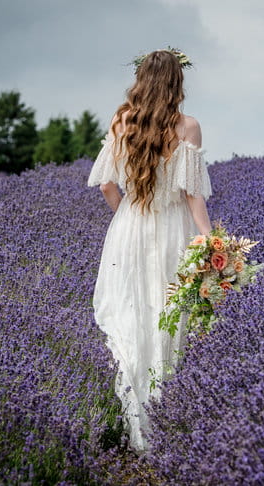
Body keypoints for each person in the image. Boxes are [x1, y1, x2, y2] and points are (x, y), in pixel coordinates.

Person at [86, 48, 213, 453]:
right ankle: (170, 421)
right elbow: (193, 196)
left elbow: (108, 185)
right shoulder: (188, 127)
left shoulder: (122, 121)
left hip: (129, 227)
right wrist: (212, 243)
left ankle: (131, 423)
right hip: (172, 228)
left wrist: (125, 216)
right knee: (169, 317)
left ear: (141, 80)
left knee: (129, 317)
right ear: (177, 83)